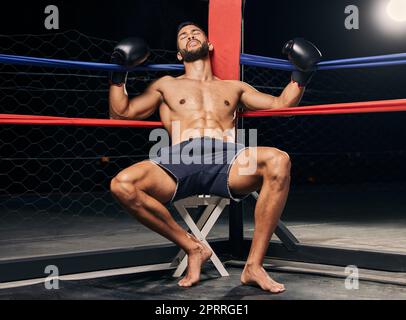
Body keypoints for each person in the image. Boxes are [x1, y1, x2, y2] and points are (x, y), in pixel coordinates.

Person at [109, 22, 321, 293]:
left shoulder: (235, 87)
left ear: (208, 44)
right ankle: (192, 246)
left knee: (279, 160)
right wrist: (119, 73)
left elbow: (282, 106)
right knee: (122, 184)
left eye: (196, 32)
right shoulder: (165, 85)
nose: (190, 36)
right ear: (178, 53)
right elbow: (121, 113)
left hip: (227, 159)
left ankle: (253, 266)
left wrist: (301, 73)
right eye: (183, 36)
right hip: (180, 158)